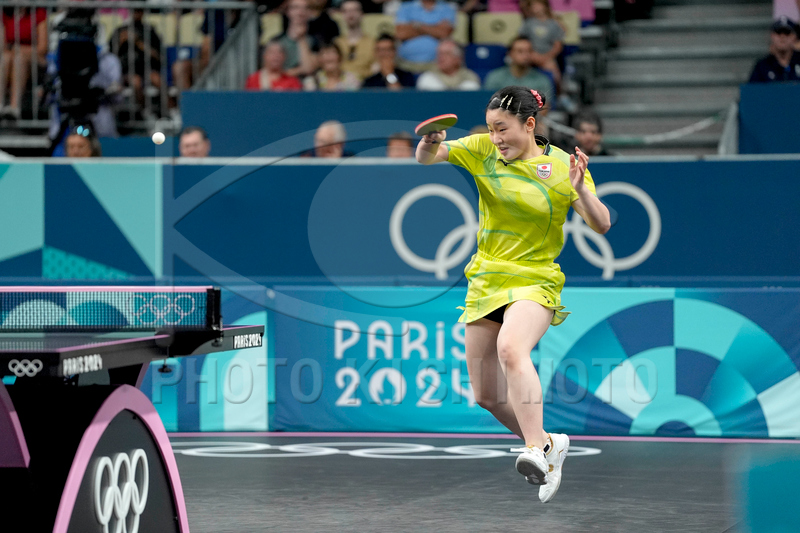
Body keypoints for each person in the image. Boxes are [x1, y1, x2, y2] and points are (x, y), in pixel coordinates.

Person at [414, 85, 610, 503]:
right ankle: (549, 444)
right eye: (491, 128)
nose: (496, 137)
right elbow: (427, 158)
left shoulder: (562, 165)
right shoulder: (482, 149)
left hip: (535, 277)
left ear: (530, 124)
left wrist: (580, 189)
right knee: (486, 395)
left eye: (502, 128)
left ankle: (534, 449)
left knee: (510, 348)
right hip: (487, 278)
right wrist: (430, 142)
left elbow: (602, 224)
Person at [109, 9, 164, 115]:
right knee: (136, 82)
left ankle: (172, 111)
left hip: (146, 68)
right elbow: (110, 56)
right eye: (134, 11)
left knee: (157, 79)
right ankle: (146, 112)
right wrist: (121, 41)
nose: (136, 14)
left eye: (139, 11)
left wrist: (138, 42)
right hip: (126, 70)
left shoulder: (149, 30)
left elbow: (158, 56)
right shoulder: (120, 30)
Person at [0, 5, 47, 120]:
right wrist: (14, 51)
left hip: (35, 61)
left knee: (19, 58)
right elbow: (3, 47)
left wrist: (19, 49)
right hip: (11, 59)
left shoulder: (39, 13)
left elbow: (42, 48)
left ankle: (14, 107)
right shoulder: (5, 15)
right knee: (5, 57)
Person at [483, 37, 555, 104]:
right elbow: (490, 104)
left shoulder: (542, 79)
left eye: (529, 51)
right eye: (520, 51)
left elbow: (544, 106)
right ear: (510, 54)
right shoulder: (495, 77)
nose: (525, 55)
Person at [394, 0, 456, 72]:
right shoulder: (405, 7)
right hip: (405, 64)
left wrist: (416, 25)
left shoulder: (447, 8)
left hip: (437, 65)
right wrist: (435, 28)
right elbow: (401, 34)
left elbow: (444, 33)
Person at [519, 0, 564, 88]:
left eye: (538, 5)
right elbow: (522, 40)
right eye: (533, 6)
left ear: (545, 6)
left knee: (555, 75)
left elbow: (558, 45)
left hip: (547, 56)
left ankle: (559, 93)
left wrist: (546, 57)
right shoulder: (528, 23)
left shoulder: (554, 24)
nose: (536, 8)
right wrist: (532, 54)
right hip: (530, 55)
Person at [333, 0, 375, 81]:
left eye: (354, 10)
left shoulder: (373, 43)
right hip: (340, 85)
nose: (350, 14)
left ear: (362, 14)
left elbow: (376, 69)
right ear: (342, 15)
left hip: (365, 84)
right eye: (346, 11)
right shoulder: (336, 43)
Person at [277, 0, 320, 78]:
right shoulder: (277, 41)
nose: (300, 12)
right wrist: (299, 70)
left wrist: (301, 38)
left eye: (305, 8)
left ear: (310, 12)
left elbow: (308, 69)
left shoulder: (317, 41)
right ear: (287, 12)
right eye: (295, 8)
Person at [749, 17, 800, 82]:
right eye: (778, 32)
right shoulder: (762, 66)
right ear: (772, 36)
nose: (782, 36)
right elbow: (752, 87)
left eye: (787, 32)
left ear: (794, 37)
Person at [416, 40, 481, 90]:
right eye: (439, 54)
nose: (441, 58)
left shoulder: (470, 79)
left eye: (446, 54)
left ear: (458, 58)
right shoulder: (427, 78)